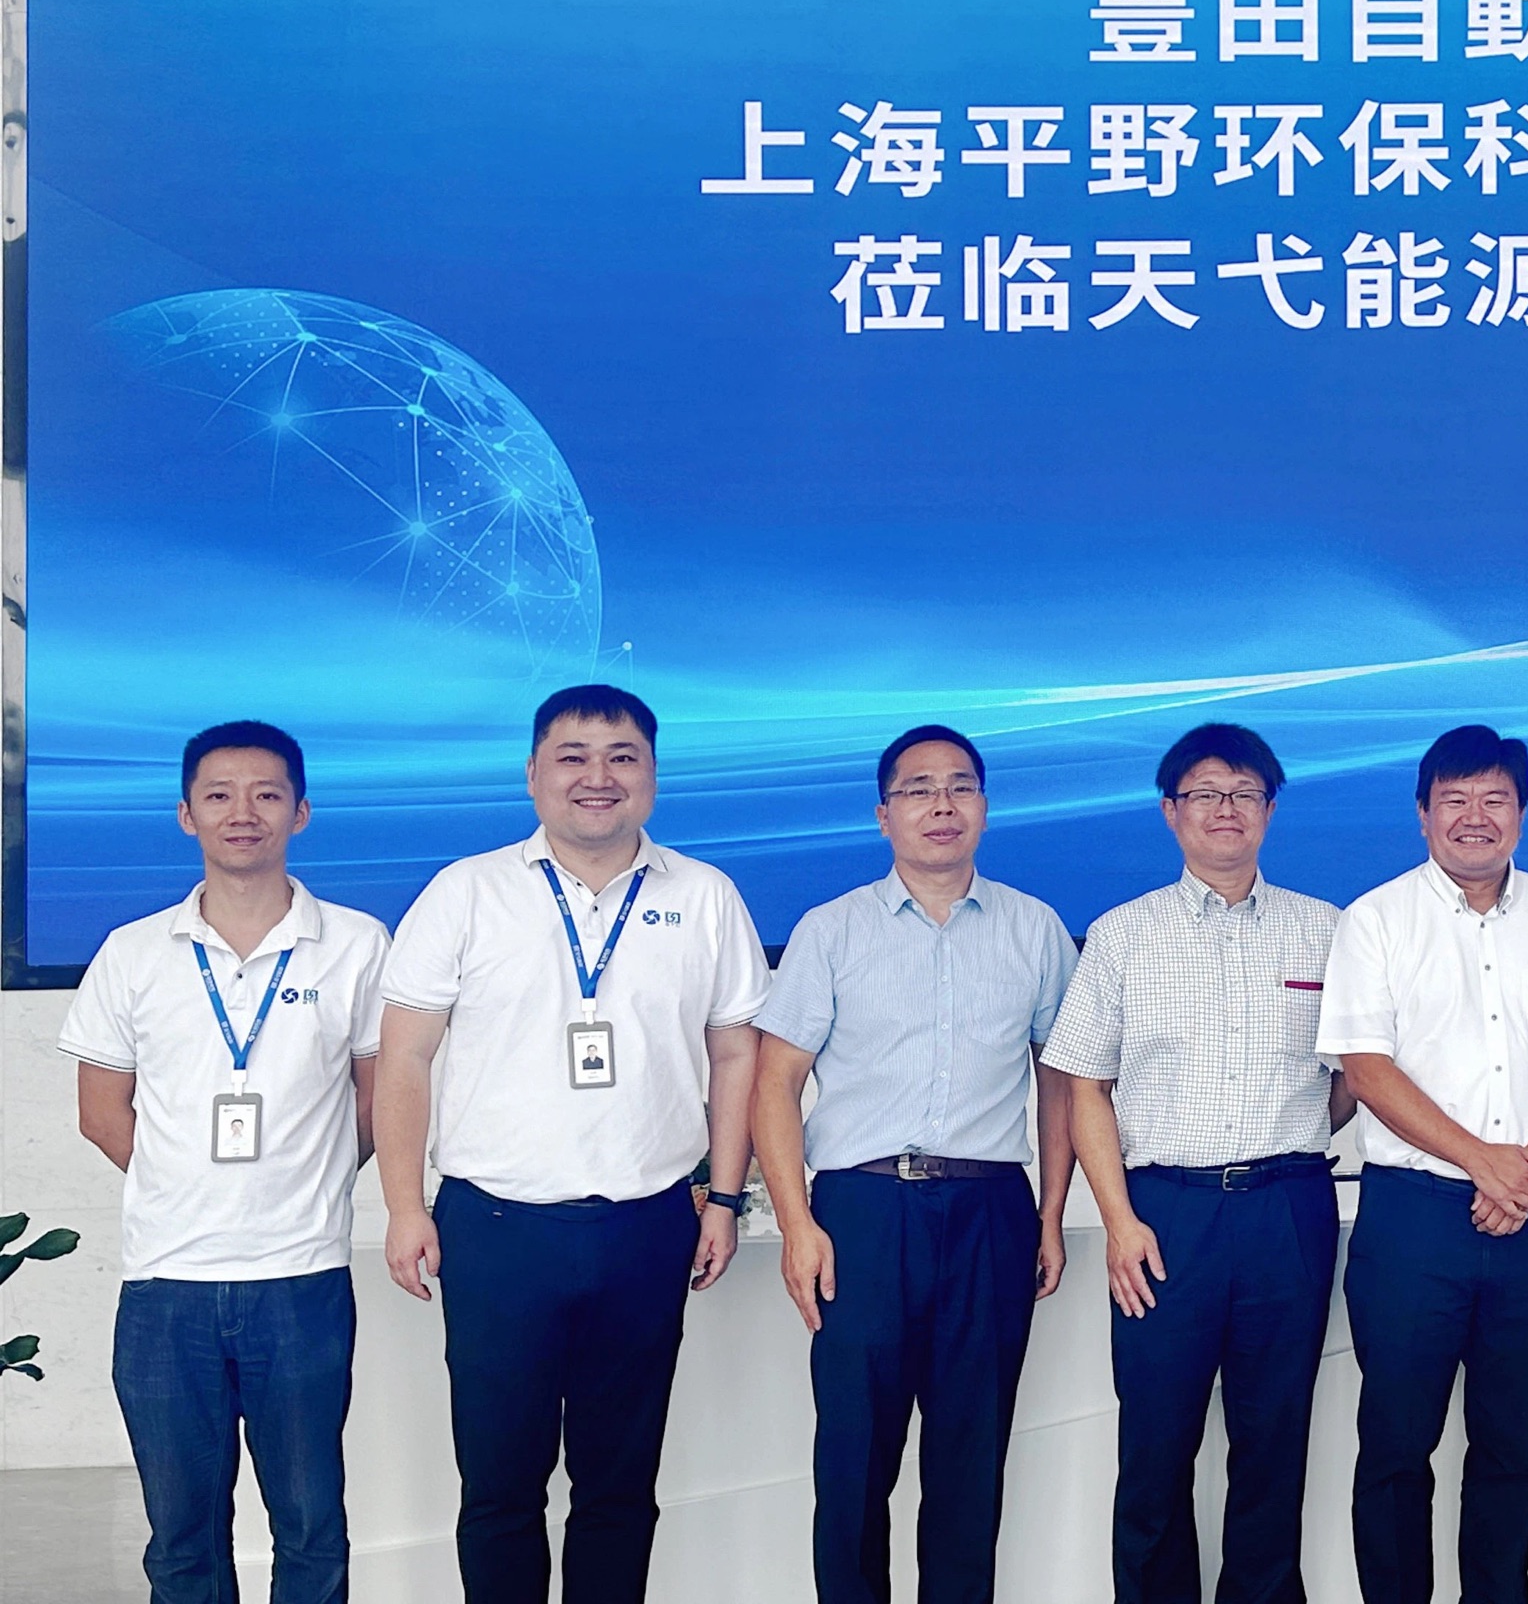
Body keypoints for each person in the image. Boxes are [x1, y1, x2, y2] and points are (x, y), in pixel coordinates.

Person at [375, 684, 768, 1604]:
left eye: (623, 757)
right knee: (499, 1486)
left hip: (647, 1223)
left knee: (619, 1488)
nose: (599, 777)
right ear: (533, 774)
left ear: (653, 775)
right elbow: (404, 1057)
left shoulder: (704, 896)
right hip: (495, 1228)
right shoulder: (466, 891)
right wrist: (402, 1206)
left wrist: (724, 1195)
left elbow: (736, 1053)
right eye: (573, 757)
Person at [61, 722, 388, 1604]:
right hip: (167, 1283)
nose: (243, 813)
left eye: (266, 794)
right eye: (219, 795)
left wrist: (306, 1175)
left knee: (312, 1529)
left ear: (301, 811)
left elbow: (380, 1100)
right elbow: (101, 1113)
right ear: (186, 814)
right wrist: (186, 1183)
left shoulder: (358, 945)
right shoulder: (132, 952)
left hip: (302, 1278)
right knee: (181, 1539)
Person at [752, 724, 1078, 1604]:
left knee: (972, 1460)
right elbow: (775, 1083)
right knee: (853, 1458)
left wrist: (1050, 1215)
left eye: (960, 786)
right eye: (918, 789)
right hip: (862, 1214)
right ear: (883, 814)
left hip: (990, 1211)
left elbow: (1061, 1082)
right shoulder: (831, 930)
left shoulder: (1036, 929)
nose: (942, 805)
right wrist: (797, 1223)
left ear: (985, 807)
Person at [1317, 724, 1528, 1604]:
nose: (1474, 816)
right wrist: (1482, 1162)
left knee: (1511, 1445)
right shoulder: (1376, 919)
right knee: (1396, 1444)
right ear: (1423, 814)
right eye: (1453, 800)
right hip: (1413, 1220)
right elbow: (1366, 1069)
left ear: (1522, 813)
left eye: (1494, 799)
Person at [1046, 723, 1354, 1604]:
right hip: (1163, 1217)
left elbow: (1353, 1079)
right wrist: (1118, 1221)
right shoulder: (1122, 935)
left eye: (1245, 793)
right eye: (1206, 793)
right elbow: (1085, 1087)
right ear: (1170, 812)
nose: (1227, 809)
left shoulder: (1327, 930)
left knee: (1273, 1442)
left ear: (1270, 810)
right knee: (1155, 1444)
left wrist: (1295, 1135)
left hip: (1287, 1208)